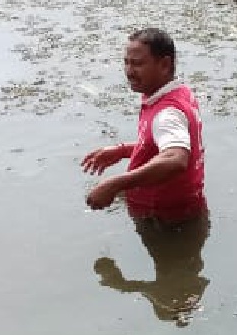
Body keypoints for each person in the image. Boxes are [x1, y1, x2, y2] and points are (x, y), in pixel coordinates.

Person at [82, 27, 207, 223]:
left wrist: (114, 184)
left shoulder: (167, 113)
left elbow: (176, 159)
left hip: (166, 222)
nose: (129, 72)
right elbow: (164, 145)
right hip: (183, 207)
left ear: (165, 65)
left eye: (138, 64)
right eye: (126, 63)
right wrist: (122, 151)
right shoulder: (179, 92)